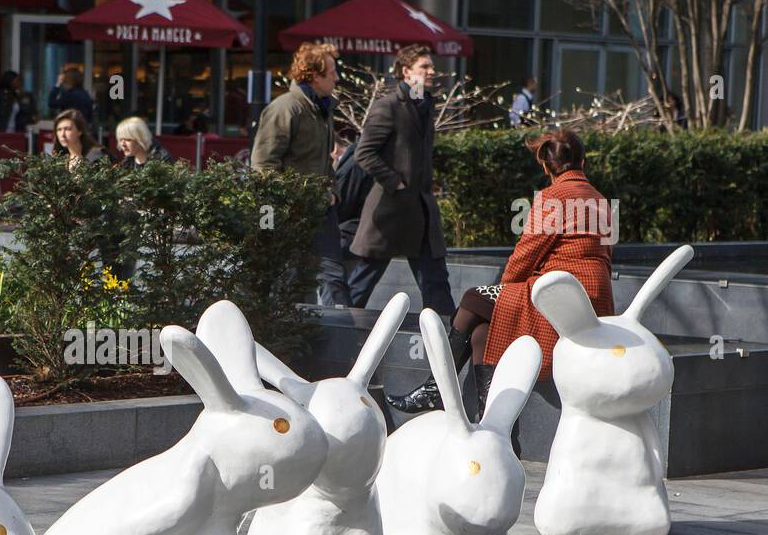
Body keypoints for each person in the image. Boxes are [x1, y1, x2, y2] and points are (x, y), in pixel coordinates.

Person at [387, 129, 614, 454]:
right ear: (583, 160)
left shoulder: (554, 197)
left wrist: (507, 286)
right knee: (482, 331)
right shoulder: (598, 198)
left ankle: (437, 388)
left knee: (474, 299)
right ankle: (493, 428)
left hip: (555, 295)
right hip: (592, 297)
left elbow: (525, 253)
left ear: (547, 168)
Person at [346, 43, 455, 317]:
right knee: (362, 283)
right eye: (425, 67)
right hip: (389, 213)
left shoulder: (426, 105)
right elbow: (364, 153)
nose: (432, 71)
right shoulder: (388, 107)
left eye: (431, 66)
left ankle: (453, 345)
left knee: (437, 284)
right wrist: (395, 182)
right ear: (406, 72)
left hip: (421, 213)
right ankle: (335, 332)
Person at [250, 42, 348, 305]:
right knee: (294, 279)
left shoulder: (323, 108)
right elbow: (262, 165)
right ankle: (294, 339)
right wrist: (285, 202)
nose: (337, 78)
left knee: (333, 276)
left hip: (321, 209)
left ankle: (340, 340)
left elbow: (326, 161)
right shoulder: (285, 108)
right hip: (290, 210)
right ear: (315, 76)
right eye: (332, 72)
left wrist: (332, 194)